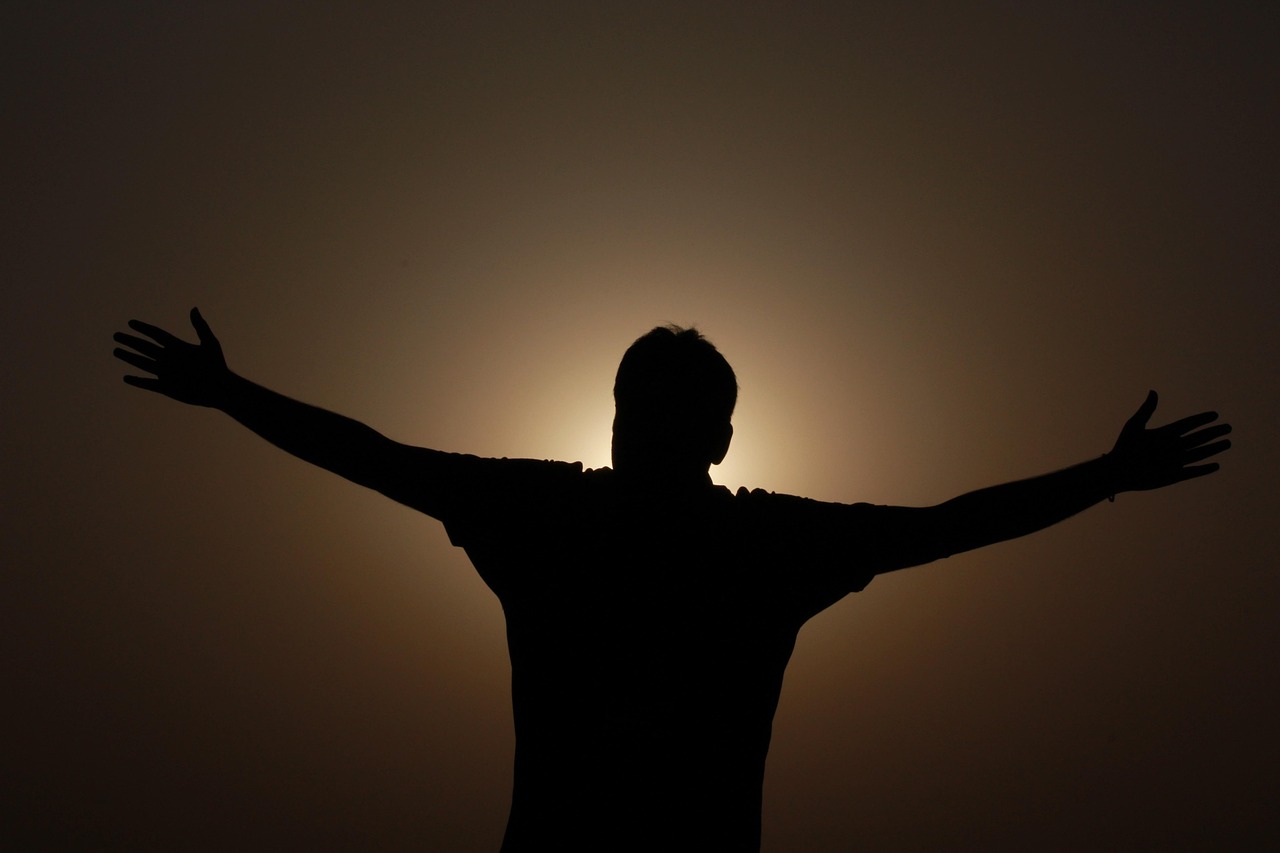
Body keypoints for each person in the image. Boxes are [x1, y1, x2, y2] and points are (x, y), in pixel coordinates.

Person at [113, 309, 1231, 851]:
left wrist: (233, 394)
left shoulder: (550, 517)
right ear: (722, 436)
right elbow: (947, 527)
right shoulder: (759, 546)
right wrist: (1104, 478)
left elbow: (375, 458)